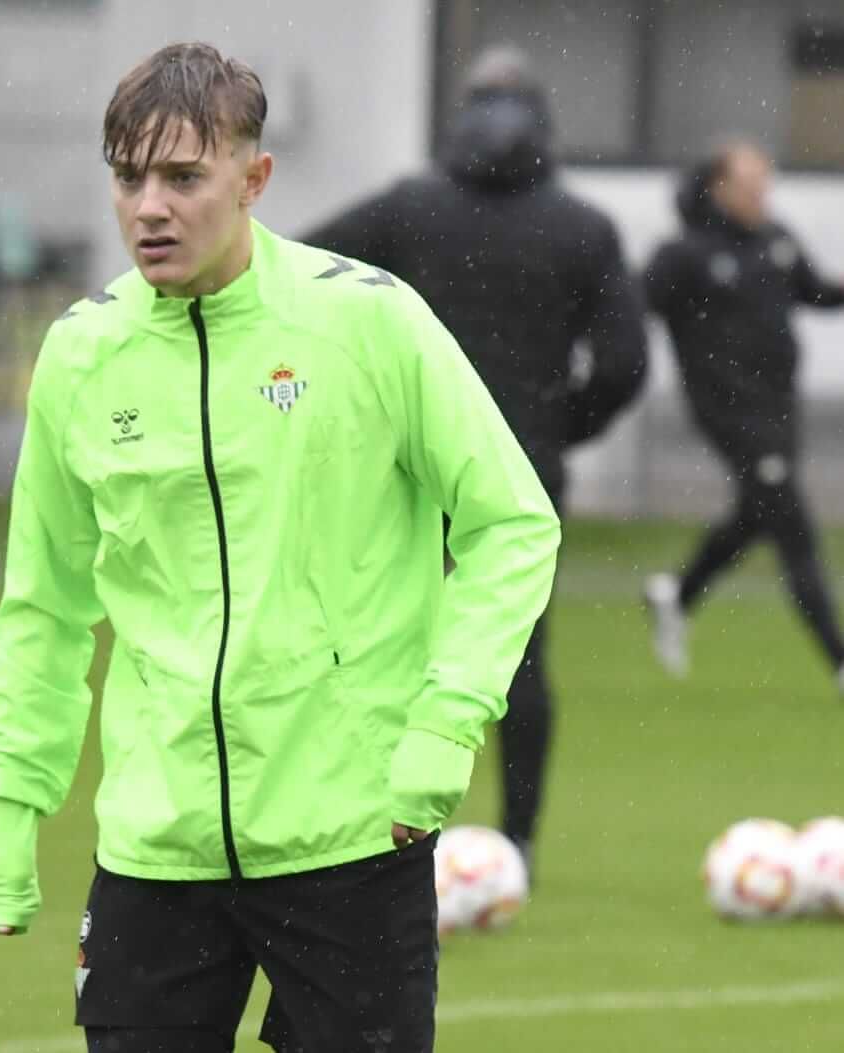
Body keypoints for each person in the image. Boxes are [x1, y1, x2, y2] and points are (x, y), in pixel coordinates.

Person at [0, 42, 560, 1053]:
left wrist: (443, 724)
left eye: (182, 178)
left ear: (253, 179)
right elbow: (49, 603)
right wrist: (13, 804)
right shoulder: (80, 354)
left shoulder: (369, 324)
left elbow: (511, 524)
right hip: (156, 847)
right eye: (127, 177)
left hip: (351, 834)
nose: (149, 207)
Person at [300, 47, 646, 869]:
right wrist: (560, 427)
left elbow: (294, 281)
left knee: (379, 646)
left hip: (400, 471)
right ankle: (516, 840)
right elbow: (625, 363)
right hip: (519, 466)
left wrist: (357, 401)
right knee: (515, 657)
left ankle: (374, 827)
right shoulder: (582, 228)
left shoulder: (408, 209)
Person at [643, 140, 844, 692]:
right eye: (752, 186)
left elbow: (816, 291)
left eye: (766, 185)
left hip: (780, 408)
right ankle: (838, 659)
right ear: (720, 189)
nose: (763, 197)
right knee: (794, 527)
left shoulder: (775, 242)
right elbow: (629, 307)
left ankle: (676, 596)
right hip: (729, 412)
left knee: (760, 513)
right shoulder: (684, 254)